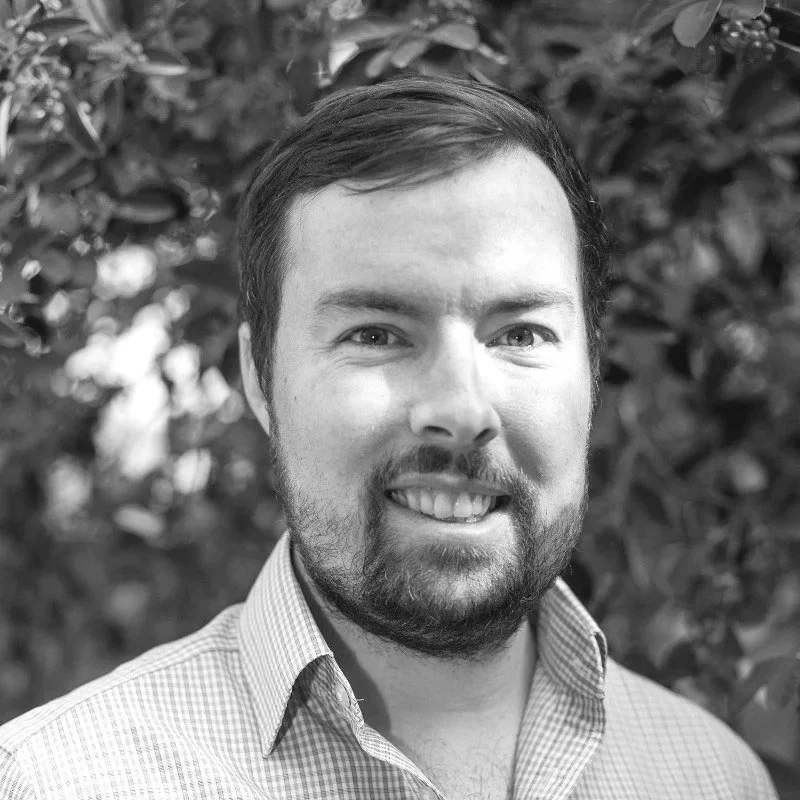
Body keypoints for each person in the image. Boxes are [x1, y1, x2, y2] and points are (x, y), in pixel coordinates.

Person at [0, 75, 778, 800]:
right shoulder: (55, 781)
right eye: (375, 334)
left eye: (522, 333)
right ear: (259, 376)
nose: (461, 408)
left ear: (594, 370)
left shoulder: (714, 777)